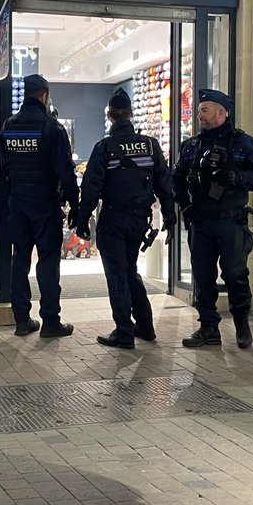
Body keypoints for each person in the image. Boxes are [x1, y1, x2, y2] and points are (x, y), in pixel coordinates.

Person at [75, 88, 176, 349]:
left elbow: (91, 187)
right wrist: (169, 216)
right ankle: (145, 325)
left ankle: (123, 331)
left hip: (113, 218)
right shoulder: (150, 145)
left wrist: (82, 220)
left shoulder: (104, 147)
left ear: (110, 116)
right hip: (139, 220)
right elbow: (164, 184)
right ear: (130, 114)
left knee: (117, 275)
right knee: (131, 270)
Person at [174, 89, 253, 349]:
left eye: (204, 110)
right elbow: (176, 179)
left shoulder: (243, 143)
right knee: (202, 277)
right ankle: (208, 328)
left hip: (230, 223)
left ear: (221, 112)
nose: (199, 115)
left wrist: (238, 178)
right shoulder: (191, 146)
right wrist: (185, 207)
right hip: (201, 222)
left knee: (235, 274)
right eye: (198, 110)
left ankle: (242, 325)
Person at [0, 73, 79, 338]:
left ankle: (22, 320)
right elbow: (66, 172)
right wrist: (75, 206)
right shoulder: (52, 128)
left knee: (19, 259)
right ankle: (50, 322)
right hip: (44, 202)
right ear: (44, 96)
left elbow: (4, 168)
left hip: (18, 202)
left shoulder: (9, 126)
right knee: (48, 260)